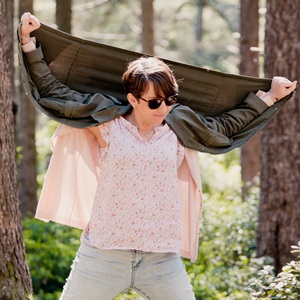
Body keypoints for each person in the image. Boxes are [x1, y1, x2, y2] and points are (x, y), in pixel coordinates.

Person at [19, 12, 296, 300]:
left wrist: (271, 96)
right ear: (133, 100)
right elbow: (55, 93)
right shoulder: (106, 124)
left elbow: (224, 127)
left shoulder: (180, 126)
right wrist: (28, 42)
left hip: (161, 259)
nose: (164, 107)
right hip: (103, 254)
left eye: (170, 98)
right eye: (154, 102)